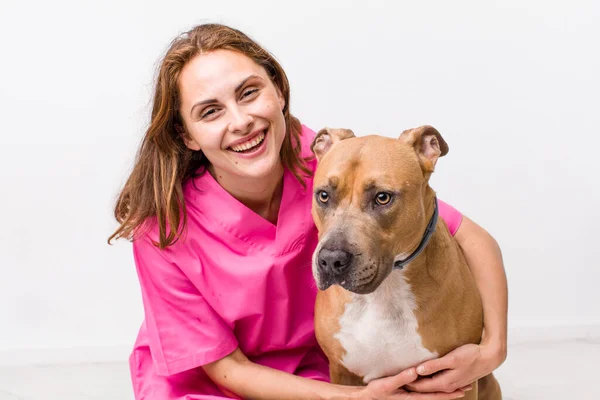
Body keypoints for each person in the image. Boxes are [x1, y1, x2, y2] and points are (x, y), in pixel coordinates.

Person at [109, 23, 508, 400]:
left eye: (249, 93)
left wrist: (492, 351)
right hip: (219, 381)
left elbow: (465, 233)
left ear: (279, 92)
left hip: (318, 364)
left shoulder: (326, 163)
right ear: (186, 134)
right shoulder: (163, 226)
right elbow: (226, 368)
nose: (241, 121)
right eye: (210, 111)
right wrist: (352, 397)